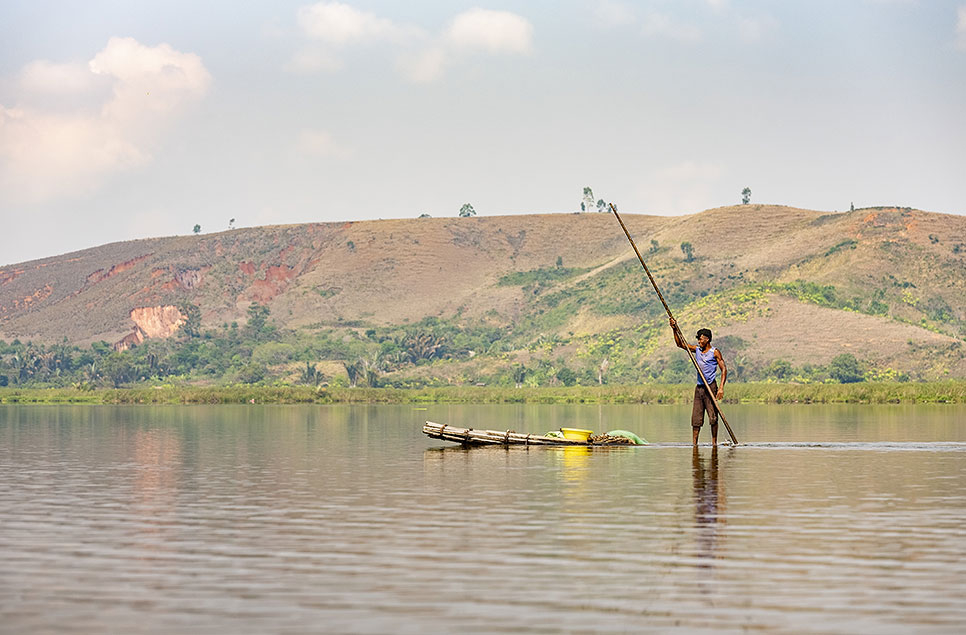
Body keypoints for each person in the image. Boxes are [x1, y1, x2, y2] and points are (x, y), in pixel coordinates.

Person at [669, 317, 727, 445]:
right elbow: (680, 344)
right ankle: (694, 444)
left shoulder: (715, 352)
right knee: (696, 419)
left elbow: (724, 370)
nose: (699, 341)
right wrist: (674, 329)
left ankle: (714, 444)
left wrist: (721, 388)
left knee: (713, 417)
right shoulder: (697, 350)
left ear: (707, 339)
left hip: (710, 387)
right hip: (699, 388)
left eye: (700, 339)